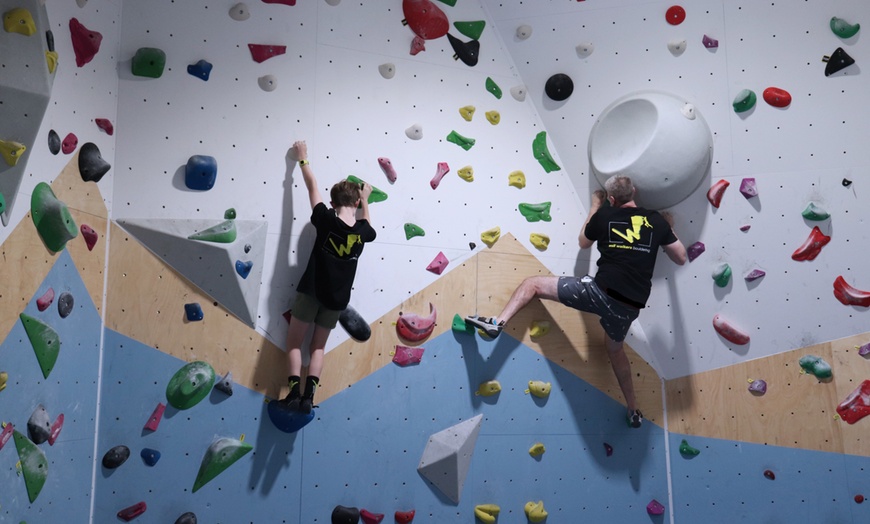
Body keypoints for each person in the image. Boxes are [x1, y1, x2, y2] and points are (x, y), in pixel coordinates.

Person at [466, 175, 686, 428]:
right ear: (634, 191)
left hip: (598, 293)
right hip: (629, 308)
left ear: (612, 199)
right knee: (615, 350)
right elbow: (680, 257)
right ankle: (633, 410)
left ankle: (498, 322)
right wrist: (666, 227)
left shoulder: (605, 215)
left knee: (532, 284)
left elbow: (583, 242)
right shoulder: (656, 221)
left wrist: (595, 206)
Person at [282, 140, 376, 413]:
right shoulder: (363, 233)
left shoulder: (324, 218)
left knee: (293, 343)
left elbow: (312, 187)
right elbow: (367, 223)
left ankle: (292, 394)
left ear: (333, 202)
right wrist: (366, 199)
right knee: (318, 349)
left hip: (311, 292)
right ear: (356, 202)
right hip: (336, 302)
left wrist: (303, 159)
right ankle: (309, 397)